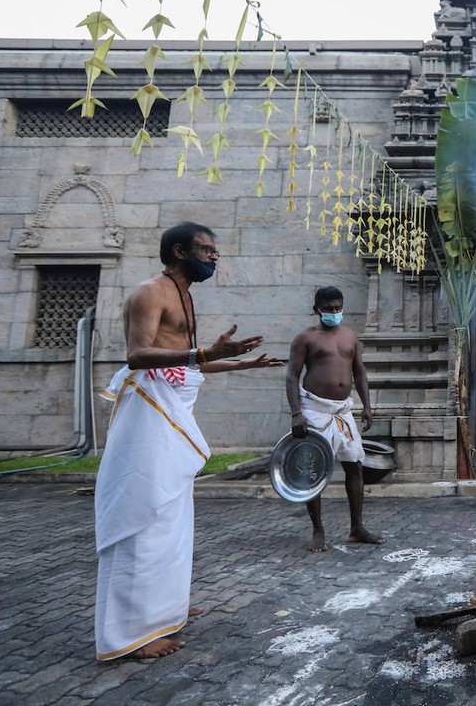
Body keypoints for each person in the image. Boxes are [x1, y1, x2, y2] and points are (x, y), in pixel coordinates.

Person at [94, 222, 283, 661]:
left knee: (172, 519)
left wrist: (242, 364)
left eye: (215, 251)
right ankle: (131, 636)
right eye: (205, 249)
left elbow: (186, 366)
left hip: (170, 411)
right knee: (145, 513)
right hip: (148, 416)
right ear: (179, 251)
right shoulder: (150, 292)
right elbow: (138, 356)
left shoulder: (186, 296)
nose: (214, 257)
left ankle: (165, 610)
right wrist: (206, 354)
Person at [286, 286, 383, 551]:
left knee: (354, 465)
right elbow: (292, 376)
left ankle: (357, 528)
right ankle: (318, 530)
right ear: (317, 309)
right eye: (328, 309)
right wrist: (296, 413)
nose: (334, 313)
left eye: (338, 308)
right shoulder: (305, 338)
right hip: (314, 410)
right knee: (313, 469)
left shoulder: (350, 336)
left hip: (342, 410)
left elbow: (359, 373)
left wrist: (367, 406)